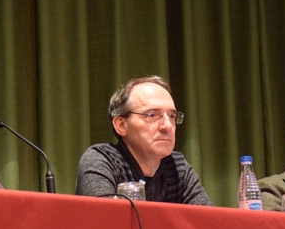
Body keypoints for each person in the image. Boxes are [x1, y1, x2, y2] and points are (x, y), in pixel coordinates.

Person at [75, 75, 212, 205]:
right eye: (152, 115)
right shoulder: (100, 160)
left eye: (171, 116)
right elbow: (107, 222)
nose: (167, 126)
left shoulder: (178, 168)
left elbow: (208, 224)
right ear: (121, 125)